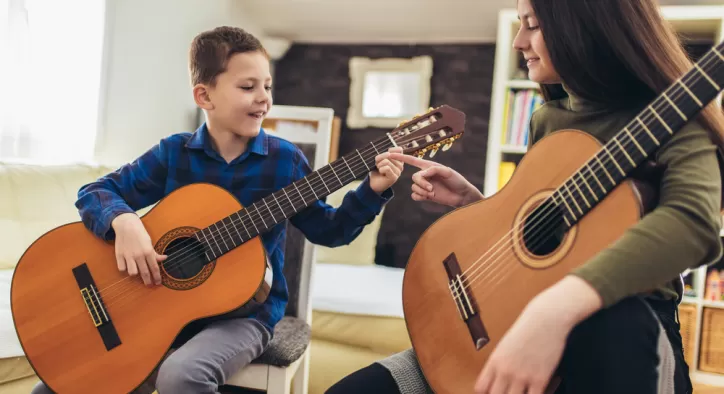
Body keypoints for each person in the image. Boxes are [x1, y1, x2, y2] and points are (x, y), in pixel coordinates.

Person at [326, 0, 724, 393]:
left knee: (620, 322)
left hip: (617, 344)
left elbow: (693, 223)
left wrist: (556, 308)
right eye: (520, 23)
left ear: (585, 27)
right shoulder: (547, 118)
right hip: (510, 324)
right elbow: (542, 237)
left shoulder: (679, 119)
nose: (518, 41)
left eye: (532, 24)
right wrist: (477, 206)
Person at [31, 26, 404, 394]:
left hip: (244, 317)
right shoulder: (174, 153)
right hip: (155, 311)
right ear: (204, 96)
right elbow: (95, 191)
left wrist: (371, 191)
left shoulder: (284, 161)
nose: (264, 99)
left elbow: (331, 231)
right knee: (51, 389)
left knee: (180, 375)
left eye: (267, 86)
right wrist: (124, 221)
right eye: (247, 87)